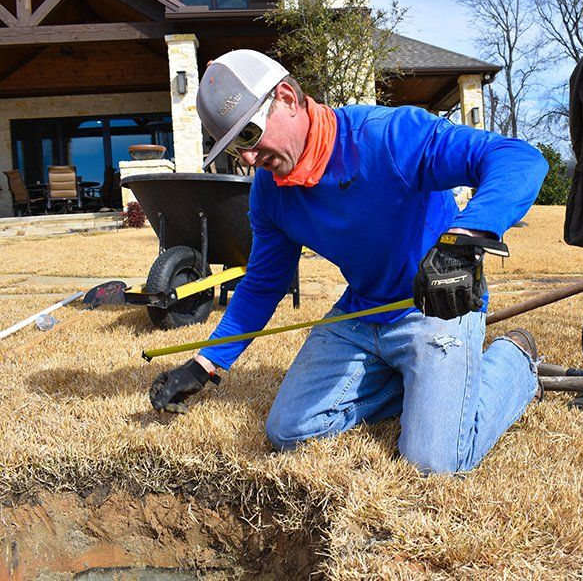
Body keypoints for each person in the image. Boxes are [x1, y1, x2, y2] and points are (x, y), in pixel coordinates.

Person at [149, 50, 548, 474]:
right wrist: (206, 363)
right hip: (363, 312)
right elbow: (264, 283)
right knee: (289, 429)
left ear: (286, 97)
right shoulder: (269, 191)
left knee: (434, 461)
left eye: (248, 135)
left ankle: (513, 359)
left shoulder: (388, 137)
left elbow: (519, 159)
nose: (247, 159)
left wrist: (462, 240)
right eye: (233, 149)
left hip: (434, 308)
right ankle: (416, 382)